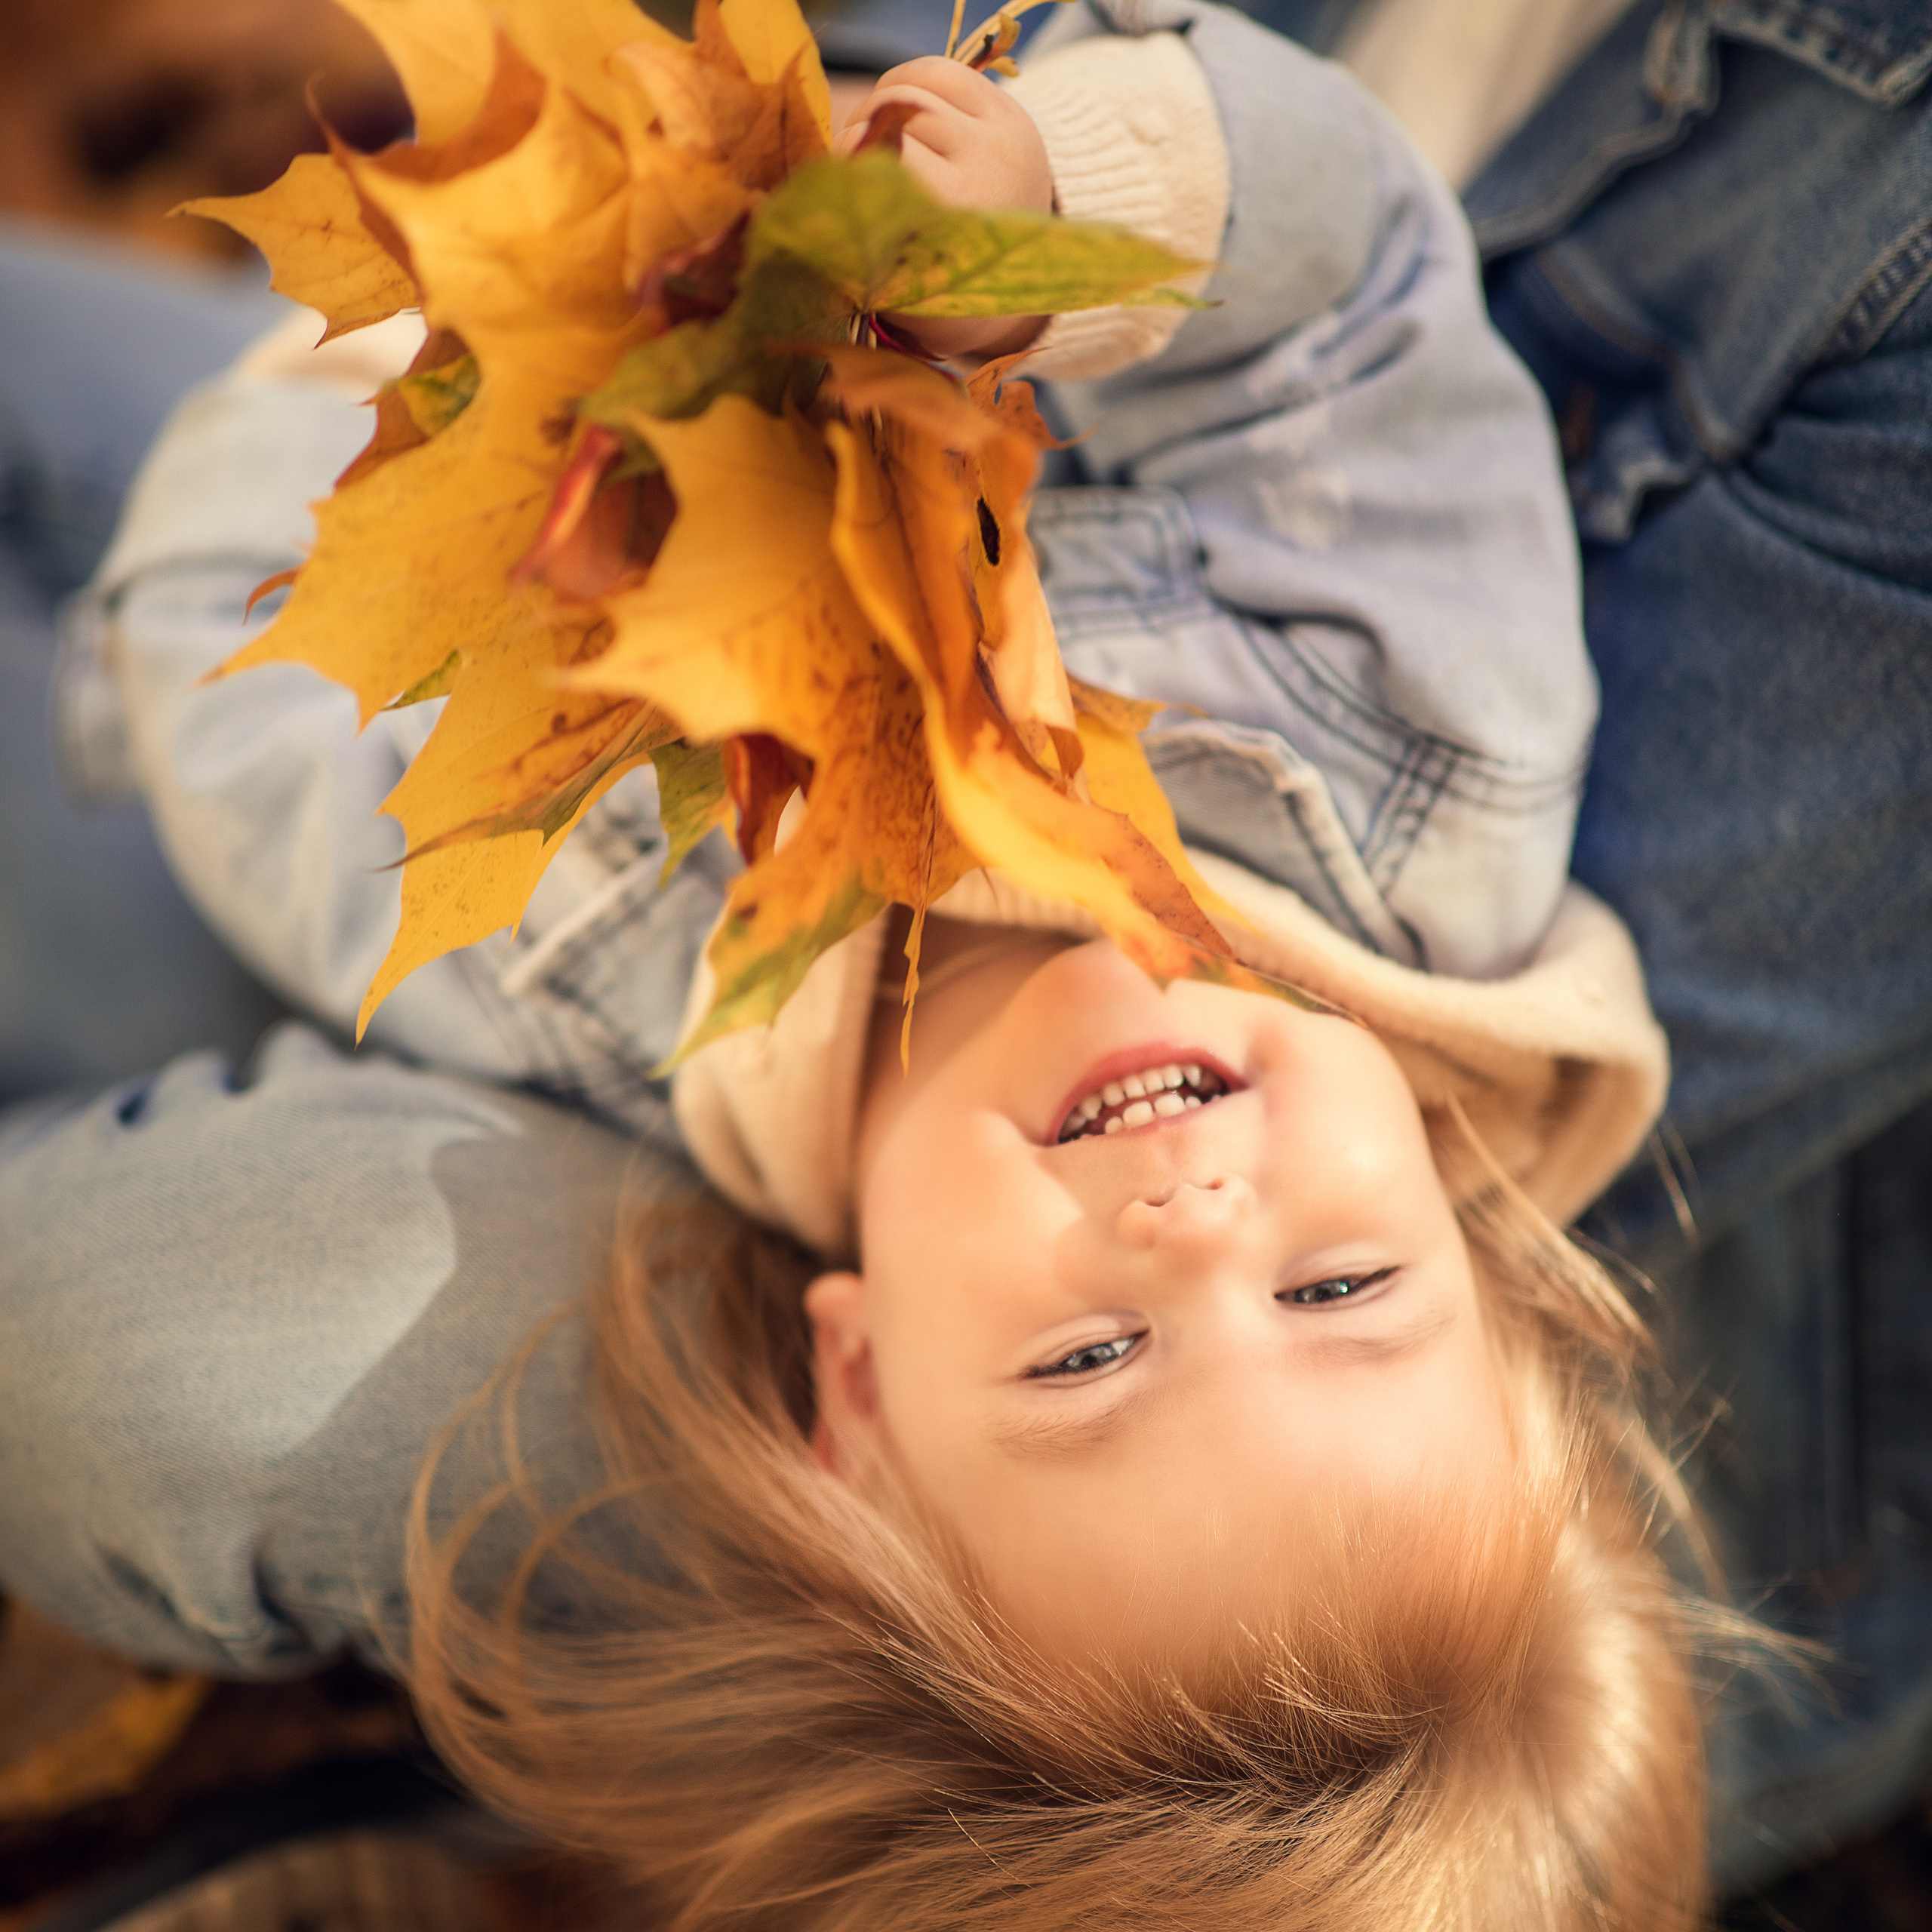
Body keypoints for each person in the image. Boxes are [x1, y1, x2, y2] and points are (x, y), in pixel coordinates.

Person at [0, 0, 1776, 1924]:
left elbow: (243, 686)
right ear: (1489, 1258)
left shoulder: (599, 989)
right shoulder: (1416, 761)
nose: (1191, 1230)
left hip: (316, 436)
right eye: (1337, 1285)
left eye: (1090, 1358)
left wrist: (464, 388)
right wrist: (1055, 209)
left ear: (849, 1395)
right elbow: (1352, 294)